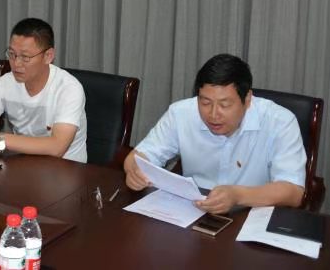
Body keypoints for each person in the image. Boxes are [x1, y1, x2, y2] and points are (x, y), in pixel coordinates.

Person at [123, 53, 306, 215]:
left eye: (225, 105)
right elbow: (137, 157)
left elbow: (293, 192)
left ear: (247, 99)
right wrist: (134, 172)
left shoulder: (280, 122)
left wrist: (238, 195)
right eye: (205, 102)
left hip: (250, 214)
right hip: (193, 211)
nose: (213, 114)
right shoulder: (181, 114)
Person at [0, 18, 87, 163]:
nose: (16, 63)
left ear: (48, 56)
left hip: (66, 168)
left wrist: (0, 139)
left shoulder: (68, 88)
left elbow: (57, 147)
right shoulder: (5, 83)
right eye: (12, 54)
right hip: (22, 163)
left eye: (25, 57)